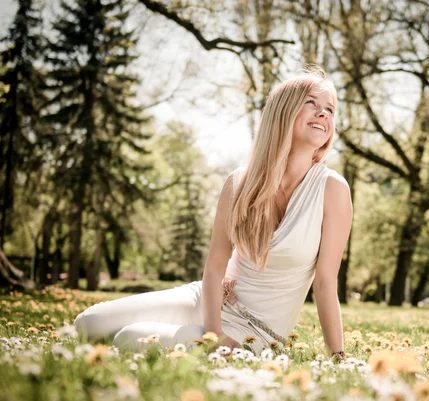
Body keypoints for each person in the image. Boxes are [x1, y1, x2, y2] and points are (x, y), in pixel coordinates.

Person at [74, 66, 353, 358]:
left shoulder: (332, 190)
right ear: (283, 112)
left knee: (129, 338)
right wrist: (213, 334)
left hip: (255, 332)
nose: (324, 114)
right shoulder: (240, 182)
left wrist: (338, 356)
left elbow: (324, 282)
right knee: (87, 323)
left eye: (330, 110)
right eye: (312, 103)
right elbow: (215, 265)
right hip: (208, 301)